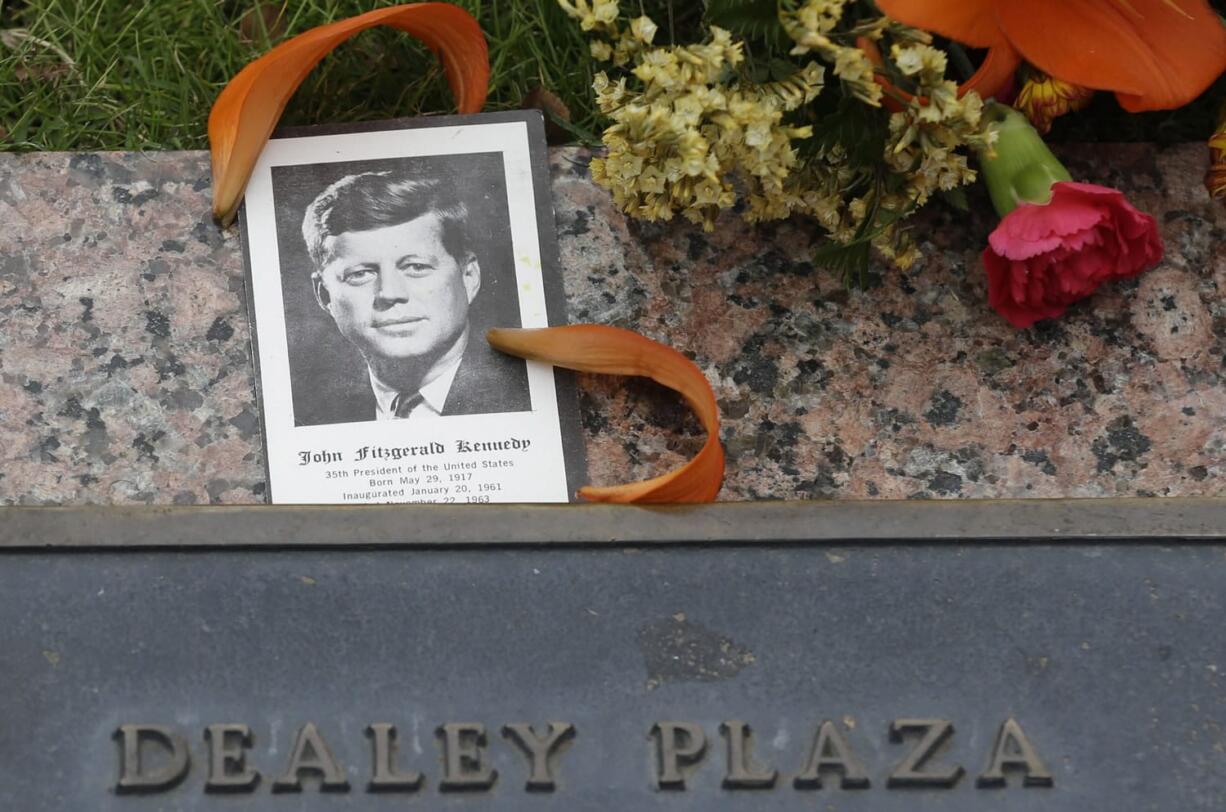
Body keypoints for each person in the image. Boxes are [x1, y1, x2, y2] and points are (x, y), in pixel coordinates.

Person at [295, 169, 530, 425]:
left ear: (469, 278)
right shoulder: (311, 416)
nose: (390, 293)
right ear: (324, 294)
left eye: (416, 268)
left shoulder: (529, 397)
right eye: (361, 274)